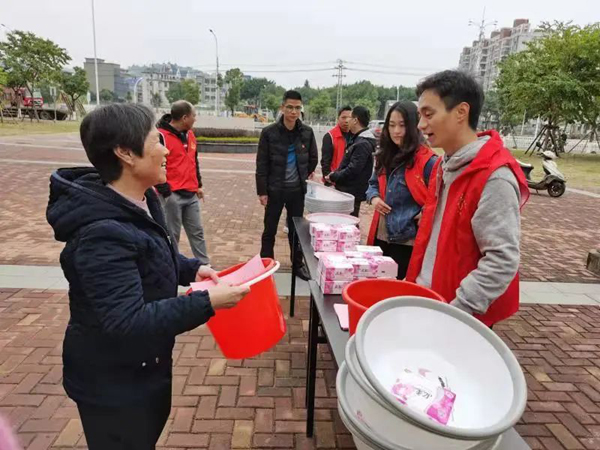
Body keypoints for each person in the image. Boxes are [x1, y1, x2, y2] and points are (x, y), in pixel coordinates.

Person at [47, 104, 249, 450]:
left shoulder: (142, 199)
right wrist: (207, 302)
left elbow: (150, 253)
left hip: (144, 368)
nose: (166, 151)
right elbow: (127, 320)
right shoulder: (101, 234)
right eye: (156, 141)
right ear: (125, 153)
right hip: (113, 385)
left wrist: (191, 268)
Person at [405, 70, 530, 327]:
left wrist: (459, 310)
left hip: (458, 315)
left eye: (429, 114)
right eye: (420, 116)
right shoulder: (444, 164)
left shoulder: (494, 176)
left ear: (461, 112)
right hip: (430, 297)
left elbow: (502, 259)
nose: (420, 125)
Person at [365, 101, 438, 279]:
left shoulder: (428, 161)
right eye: (391, 125)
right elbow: (372, 184)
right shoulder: (384, 155)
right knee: (376, 284)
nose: (396, 131)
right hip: (381, 234)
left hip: (407, 240)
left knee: (399, 287)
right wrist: (374, 198)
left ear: (414, 126)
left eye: (402, 125)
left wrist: (425, 212)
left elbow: (439, 198)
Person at [256, 90, 318, 281]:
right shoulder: (269, 133)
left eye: (297, 108)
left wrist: (302, 175)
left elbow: (313, 158)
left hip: (297, 191)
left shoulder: (307, 132)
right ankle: (266, 265)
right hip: (274, 190)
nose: (293, 111)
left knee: (296, 231)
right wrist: (262, 191)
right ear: (282, 108)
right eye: (289, 107)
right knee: (270, 230)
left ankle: (297, 265)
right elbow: (262, 164)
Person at [156, 101, 209, 265]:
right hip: (172, 195)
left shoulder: (190, 135)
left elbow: (194, 161)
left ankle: (205, 265)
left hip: (191, 194)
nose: (195, 119)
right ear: (185, 118)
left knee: (197, 232)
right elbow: (155, 164)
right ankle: (172, 267)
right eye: (194, 115)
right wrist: (166, 191)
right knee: (172, 235)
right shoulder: (160, 136)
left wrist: (198, 185)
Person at [325, 106, 375, 217]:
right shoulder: (358, 139)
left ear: (355, 120)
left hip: (352, 192)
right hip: (349, 190)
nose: (347, 121)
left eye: (350, 117)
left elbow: (353, 169)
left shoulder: (362, 143)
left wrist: (334, 176)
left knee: (348, 221)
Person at [321, 105, 352, 184]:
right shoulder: (329, 136)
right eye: (343, 117)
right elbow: (325, 162)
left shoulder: (356, 137)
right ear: (338, 119)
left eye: (349, 117)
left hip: (349, 182)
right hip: (333, 181)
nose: (346, 121)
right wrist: (329, 179)